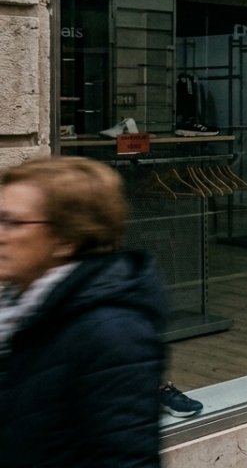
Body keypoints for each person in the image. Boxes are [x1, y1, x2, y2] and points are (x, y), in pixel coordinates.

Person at [0, 156, 166, 466]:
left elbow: (128, 458)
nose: (1, 234)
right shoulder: (21, 306)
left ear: (67, 239)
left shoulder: (113, 333)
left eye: (13, 223)